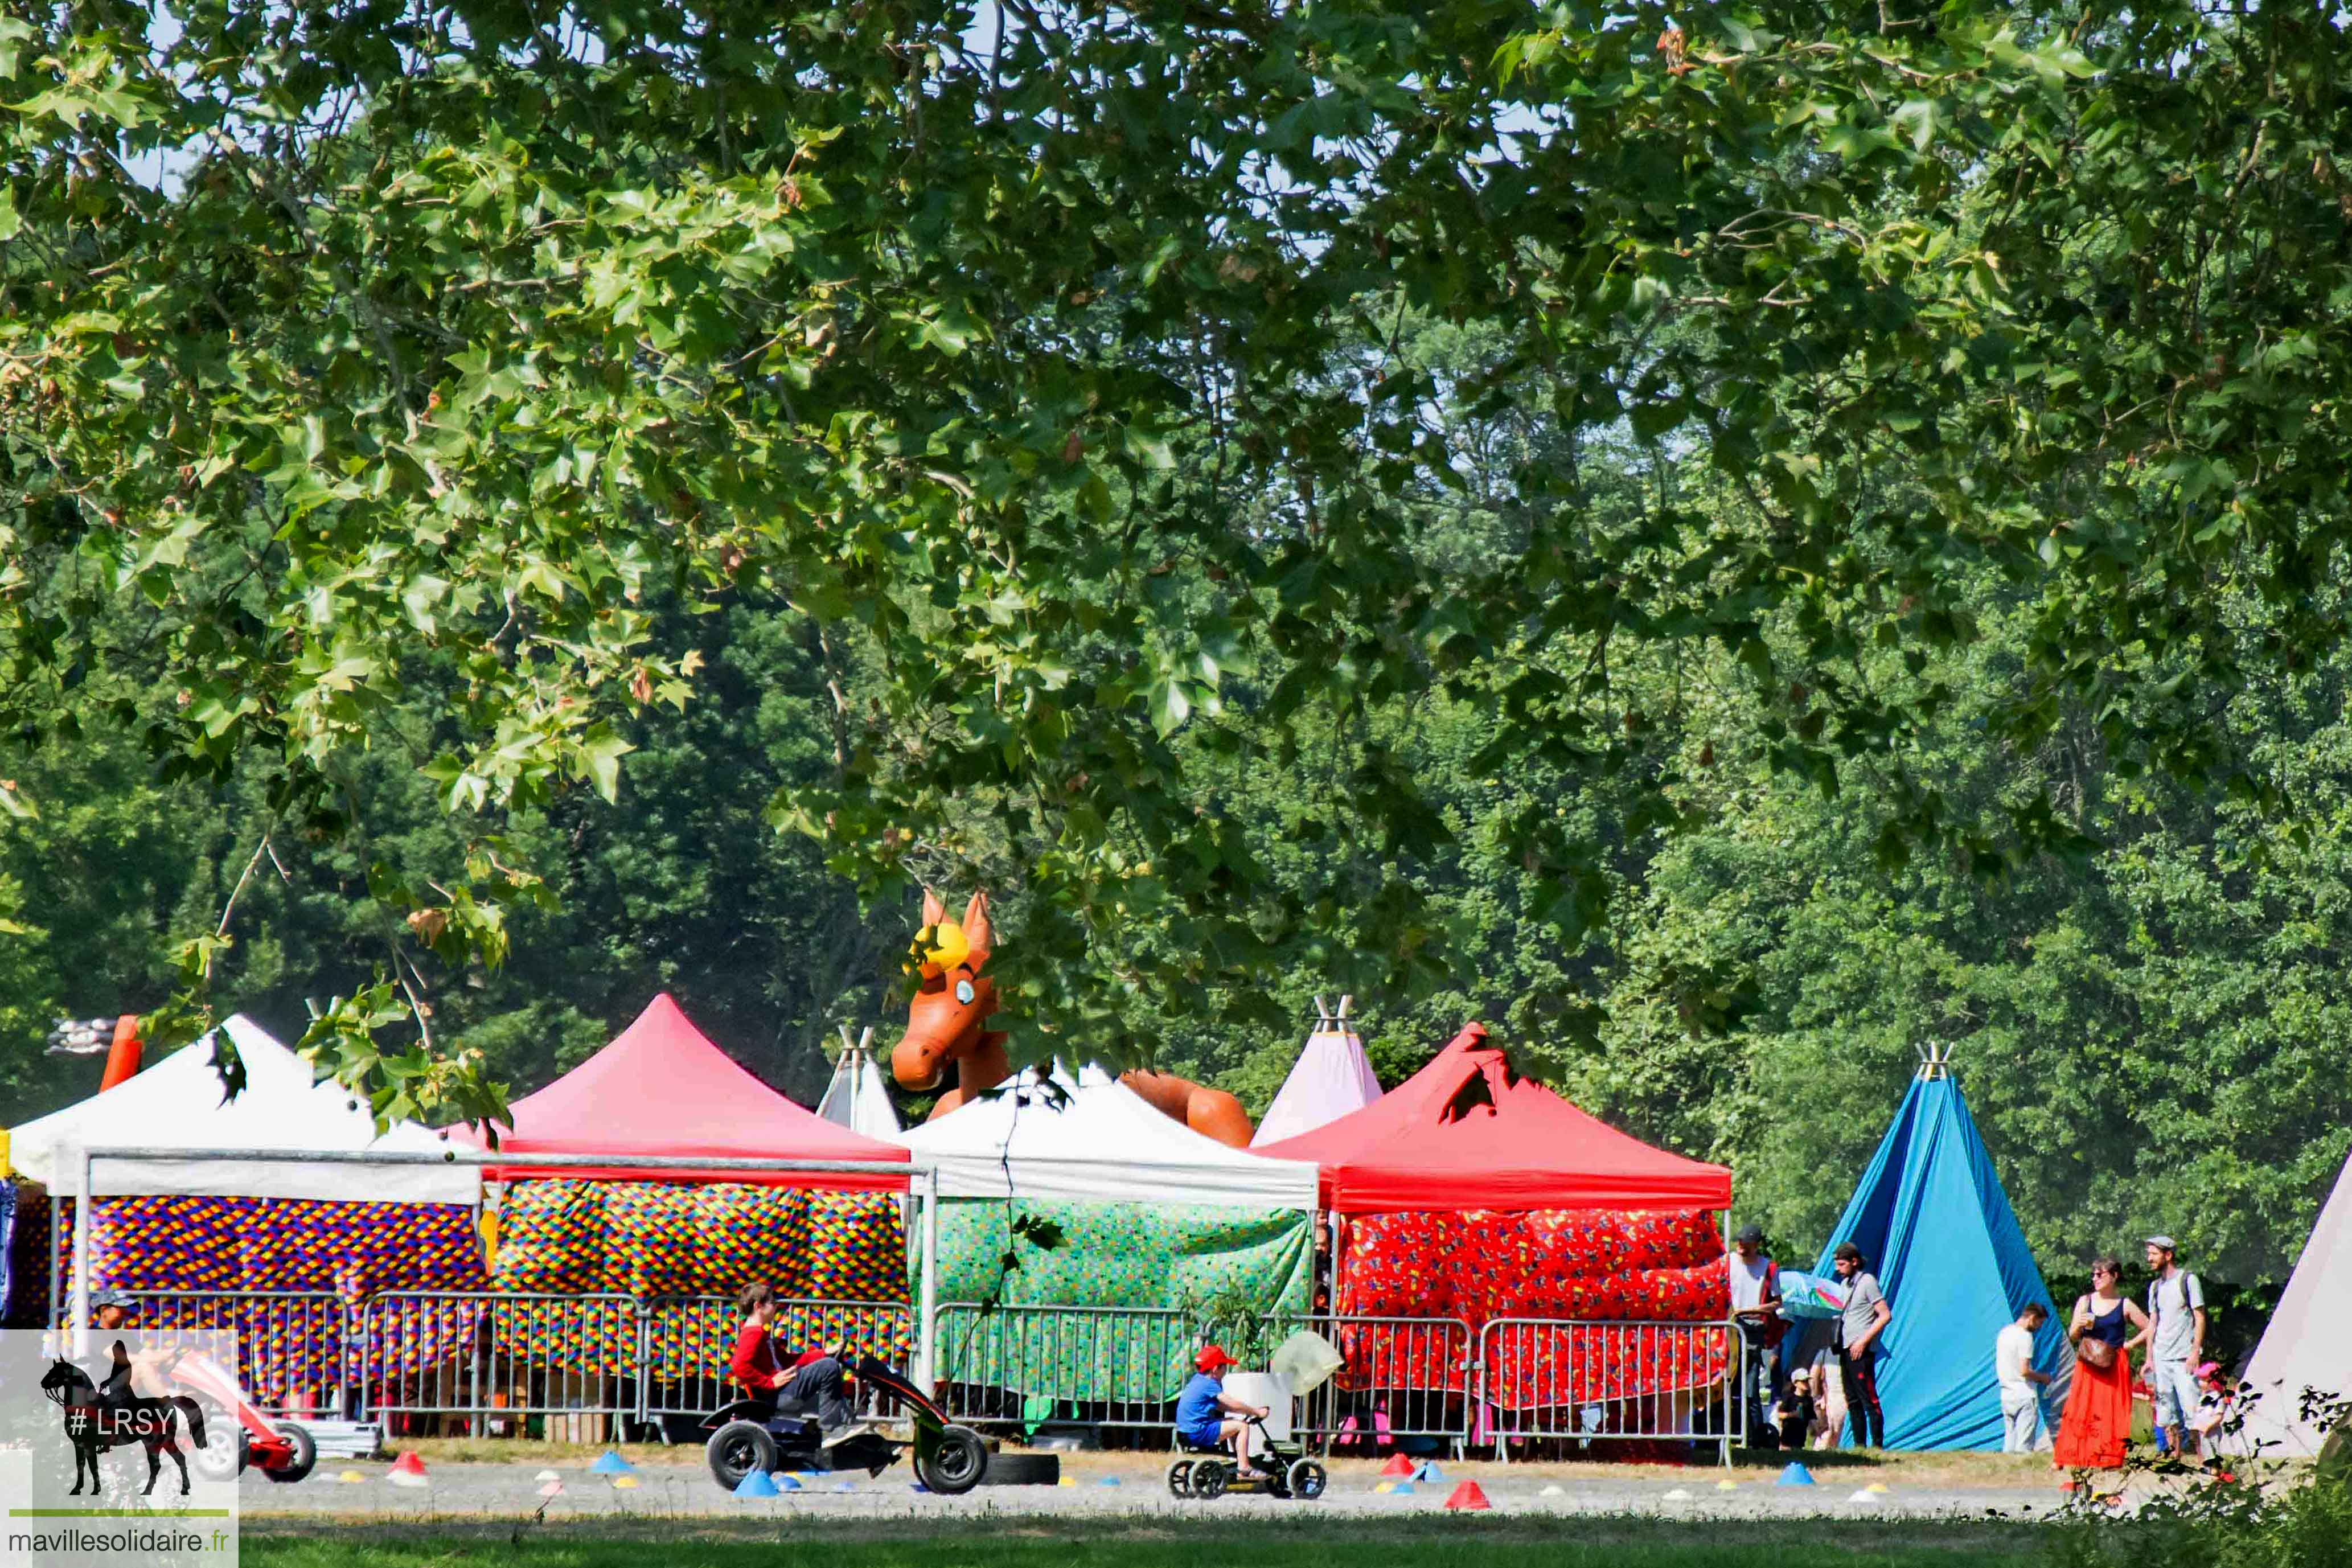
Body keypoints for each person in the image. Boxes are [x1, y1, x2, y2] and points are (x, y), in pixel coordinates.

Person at [728, 1281, 868, 1447]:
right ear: (758, 1306)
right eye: (773, 1303)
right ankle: (831, 1431)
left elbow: (789, 1360)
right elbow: (739, 1366)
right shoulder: (753, 1334)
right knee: (829, 1367)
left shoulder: (761, 1333)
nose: (776, 1308)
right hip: (777, 1396)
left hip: (783, 1391)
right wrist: (769, 1382)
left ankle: (863, 1445)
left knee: (835, 1396)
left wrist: (825, 1352)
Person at [2052, 1256, 2149, 1475]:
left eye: (2100, 1274)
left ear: (2114, 1277)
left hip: (2114, 1363)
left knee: (2112, 1410)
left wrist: (2131, 1344)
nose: (2095, 1278)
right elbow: (2073, 1336)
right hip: (2089, 1363)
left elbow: (2150, 1326)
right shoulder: (2085, 1301)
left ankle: (2107, 1456)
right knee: (2080, 1408)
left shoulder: (2125, 1304)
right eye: (2093, 1274)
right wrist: (2077, 1326)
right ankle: (2069, 1455)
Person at [2142, 1235, 2206, 1460]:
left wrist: (2194, 1352)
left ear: (2168, 1255)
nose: (2149, 1258)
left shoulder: (2188, 1280)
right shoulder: (2155, 1287)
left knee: (2192, 1409)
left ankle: (2203, 1458)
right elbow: (2153, 1323)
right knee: (2165, 1411)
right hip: (2161, 1358)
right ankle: (2174, 1457)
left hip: (2183, 1357)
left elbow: (2199, 1317)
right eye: (2149, 1254)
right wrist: (2149, 1358)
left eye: (2153, 1254)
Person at [1727, 1223, 1785, 1447]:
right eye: (1740, 1242)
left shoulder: (1768, 1268)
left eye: (1747, 1244)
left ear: (1756, 1245)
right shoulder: (1729, 1262)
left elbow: (1777, 1302)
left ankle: (1753, 1439)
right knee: (1725, 1383)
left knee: (1750, 1387)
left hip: (1753, 1328)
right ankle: (1724, 1434)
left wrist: (1750, 1311)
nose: (1741, 1247)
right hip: (1729, 1325)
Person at [1175, 1344, 1271, 1479]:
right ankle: (1244, 1467)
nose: (1226, 1371)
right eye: (1225, 1367)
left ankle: (1239, 1461)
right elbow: (1230, 1402)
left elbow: (1221, 1406)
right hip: (1198, 1432)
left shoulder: (1197, 1380)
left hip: (1185, 1432)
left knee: (1234, 1423)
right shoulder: (1209, 1384)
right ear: (1215, 1369)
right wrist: (1257, 1412)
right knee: (1242, 1426)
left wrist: (1244, 1411)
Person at [1831, 1242, 1891, 1449]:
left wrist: (1864, 1341)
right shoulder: (1845, 1285)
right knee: (1852, 1400)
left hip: (1862, 1350)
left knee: (1869, 1399)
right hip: (1846, 1348)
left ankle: (1877, 1445)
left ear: (1854, 1262)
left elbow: (1885, 1315)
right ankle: (1859, 1445)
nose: (1838, 1269)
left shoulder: (1867, 1282)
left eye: (1842, 1264)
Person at [1996, 1302, 2054, 1454]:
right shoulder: (2026, 1337)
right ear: (2032, 1318)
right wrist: (2043, 1378)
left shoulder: (2004, 1333)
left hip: (2006, 1394)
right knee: (2024, 1447)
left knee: (2009, 1442)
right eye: (2039, 1323)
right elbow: (2025, 1370)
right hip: (2024, 1395)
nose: (2039, 1328)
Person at [1772, 1368, 1817, 1450]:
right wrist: (1792, 1415)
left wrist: (1814, 1428)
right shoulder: (1789, 1397)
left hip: (1801, 1437)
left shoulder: (1809, 1400)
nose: (1806, 1384)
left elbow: (1811, 1416)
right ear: (1796, 1383)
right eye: (1803, 1381)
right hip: (1788, 1436)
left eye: (1807, 1381)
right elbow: (1779, 1415)